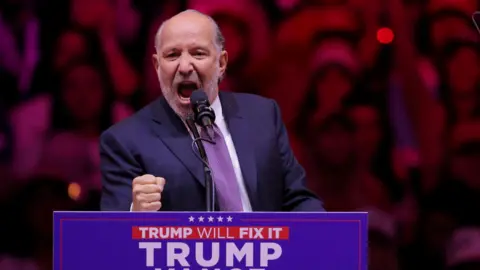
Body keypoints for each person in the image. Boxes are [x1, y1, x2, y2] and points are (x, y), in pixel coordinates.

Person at [99, 9, 324, 212]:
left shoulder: (263, 116)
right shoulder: (125, 141)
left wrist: (330, 237)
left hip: (265, 255)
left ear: (222, 63)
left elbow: (297, 199)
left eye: (198, 54)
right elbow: (111, 239)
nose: (185, 67)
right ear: (157, 66)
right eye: (172, 55)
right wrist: (135, 213)